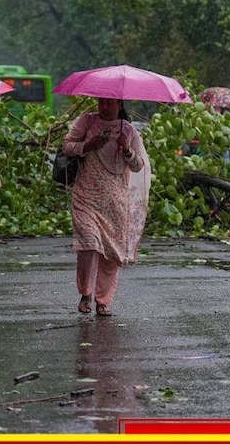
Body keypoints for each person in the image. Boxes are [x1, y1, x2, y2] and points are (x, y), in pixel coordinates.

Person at [62, 97, 150, 316]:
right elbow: (67, 147)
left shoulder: (129, 131)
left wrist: (127, 149)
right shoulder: (87, 122)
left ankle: (103, 301)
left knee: (111, 254)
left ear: (119, 105)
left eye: (110, 103)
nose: (104, 107)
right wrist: (88, 146)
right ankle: (85, 294)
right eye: (101, 102)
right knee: (89, 244)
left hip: (116, 201)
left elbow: (139, 166)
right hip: (86, 196)